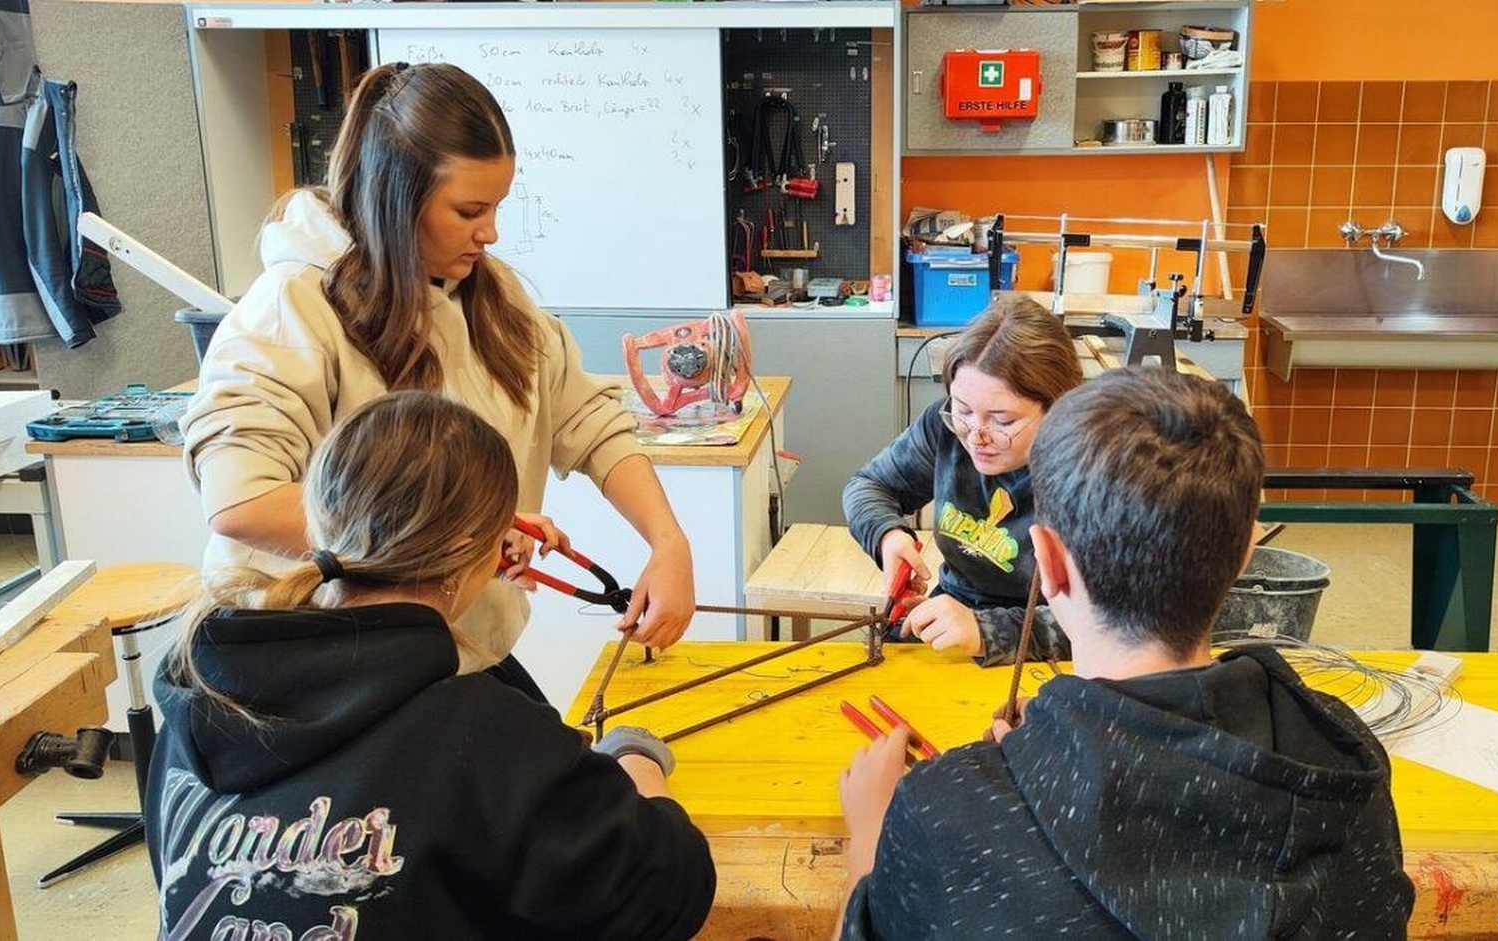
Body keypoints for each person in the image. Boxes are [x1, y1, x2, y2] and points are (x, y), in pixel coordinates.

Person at [837, 369, 1415, 939]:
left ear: (1049, 562)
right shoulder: (1344, 753)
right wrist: (1041, 762)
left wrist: (868, 839)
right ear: (1245, 553)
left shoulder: (941, 810)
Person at [180, 62, 694, 696]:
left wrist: (669, 544)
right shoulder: (292, 308)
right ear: (396, 197)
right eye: (470, 209)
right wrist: (465, 532)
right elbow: (240, 501)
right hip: (324, 670)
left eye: (498, 206)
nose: (492, 231)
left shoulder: (493, 296)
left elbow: (588, 421)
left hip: (447, 653)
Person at [148, 391, 716, 940]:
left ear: (319, 520)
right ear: (484, 547)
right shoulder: (484, 732)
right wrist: (636, 762)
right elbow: (669, 892)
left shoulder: (197, 697)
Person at [841, 295, 1081, 664]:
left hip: (1048, 653)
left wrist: (986, 631)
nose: (975, 437)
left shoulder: (1094, 471)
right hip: (951, 615)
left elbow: (1121, 628)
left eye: (1003, 421)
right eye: (963, 411)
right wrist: (887, 535)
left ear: (1058, 408)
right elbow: (868, 486)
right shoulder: (945, 429)